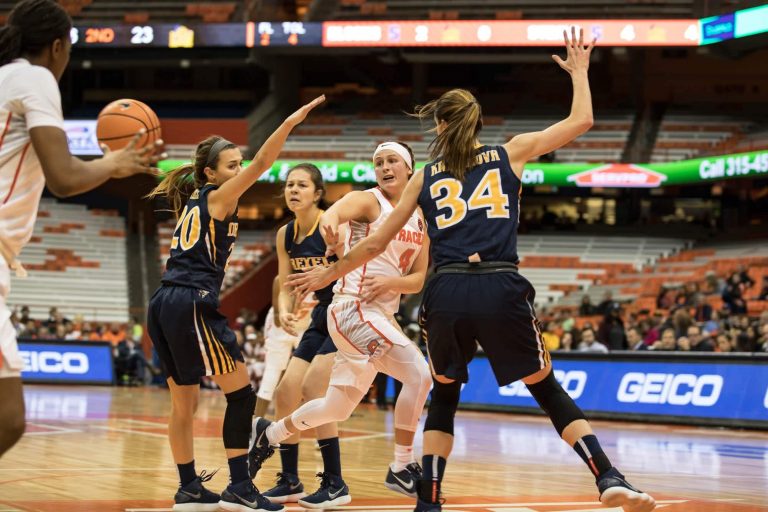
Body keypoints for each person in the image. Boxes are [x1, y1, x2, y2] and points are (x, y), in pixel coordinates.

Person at [287, 29, 655, 512]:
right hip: (501, 284)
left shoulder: (425, 175)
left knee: (443, 396)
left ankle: (429, 503)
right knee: (544, 387)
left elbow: (374, 241)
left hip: (448, 291)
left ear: (439, 126)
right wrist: (580, 73)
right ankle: (607, 476)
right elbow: (582, 120)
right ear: (478, 122)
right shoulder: (512, 152)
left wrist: (328, 273)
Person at [0, 0, 164, 460]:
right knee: (9, 417)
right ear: (57, 47)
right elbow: (64, 178)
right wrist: (113, 164)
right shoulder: (35, 78)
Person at [145, 95, 324, 512]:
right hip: (192, 301)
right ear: (210, 173)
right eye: (231, 166)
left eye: (238, 164)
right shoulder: (217, 198)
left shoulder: (195, 201)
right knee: (241, 397)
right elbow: (264, 163)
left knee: (183, 403)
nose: (240, 170)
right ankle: (241, 487)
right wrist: (290, 122)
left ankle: (189, 486)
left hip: (165, 300)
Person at [252, 141, 433, 500]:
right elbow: (334, 213)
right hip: (352, 308)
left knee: (336, 407)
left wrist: (392, 282)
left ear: (409, 168)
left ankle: (268, 434)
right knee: (420, 376)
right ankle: (400, 465)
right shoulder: (369, 200)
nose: (384, 167)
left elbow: (419, 278)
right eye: (378, 161)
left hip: (379, 314)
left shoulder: (420, 218)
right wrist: (332, 231)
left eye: (392, 160)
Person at [254, 163, 349, 509]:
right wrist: (283, 309)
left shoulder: (331, 226)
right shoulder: (285, 234)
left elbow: (355, 266)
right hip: (320, 315)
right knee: (285, 391)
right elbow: (284, 282)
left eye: (302, 185)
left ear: (318, 194)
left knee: (313, 390)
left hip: (345, 312)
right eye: (290, 184)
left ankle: (336, 482)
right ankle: (290, 479)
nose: (294, 190)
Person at [254, 276, 313, 418]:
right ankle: (255, 425)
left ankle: (318, 428)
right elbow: (278, 319)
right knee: (272, 373)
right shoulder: (281, 280)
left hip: (305, 326)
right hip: (280, 326)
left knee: (312, 374)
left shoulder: (322, 278)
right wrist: (294, 305)